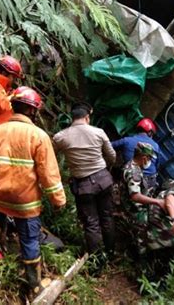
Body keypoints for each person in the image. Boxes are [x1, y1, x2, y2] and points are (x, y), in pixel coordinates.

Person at [0, 86, 66, 296]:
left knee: (0, 223)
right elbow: (49, 176)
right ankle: (34, 285)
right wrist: (58, 201)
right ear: (32, 111)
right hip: (23, 201)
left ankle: (1, 247)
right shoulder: (38, 136)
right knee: (29, 239)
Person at [53, 102, 116, 257]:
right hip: (103, 180)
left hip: (83, 186)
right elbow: (112, 156)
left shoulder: (60, 137)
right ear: (87, 117)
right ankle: (111, 252)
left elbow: (50, 157)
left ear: (72, 118)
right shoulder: (99, 132)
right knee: (107, 217)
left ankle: (96, 260)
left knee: (91, 223)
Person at [121, 142, 166, 255]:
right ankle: (141, 262)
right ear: (144, 158)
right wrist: (157, 202)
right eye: (149, 158)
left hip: (130, 205)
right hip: (135, 210)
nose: (150, 161)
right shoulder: (134, 172)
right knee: (142, 240)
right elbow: (135, 196)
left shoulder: (131, 166)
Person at [112, 118, 161, 193]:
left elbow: (109, 145)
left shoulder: (127, 140)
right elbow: (157, 165)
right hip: (149, 183)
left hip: (131, 179)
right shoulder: (156, 146)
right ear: (150, 133)